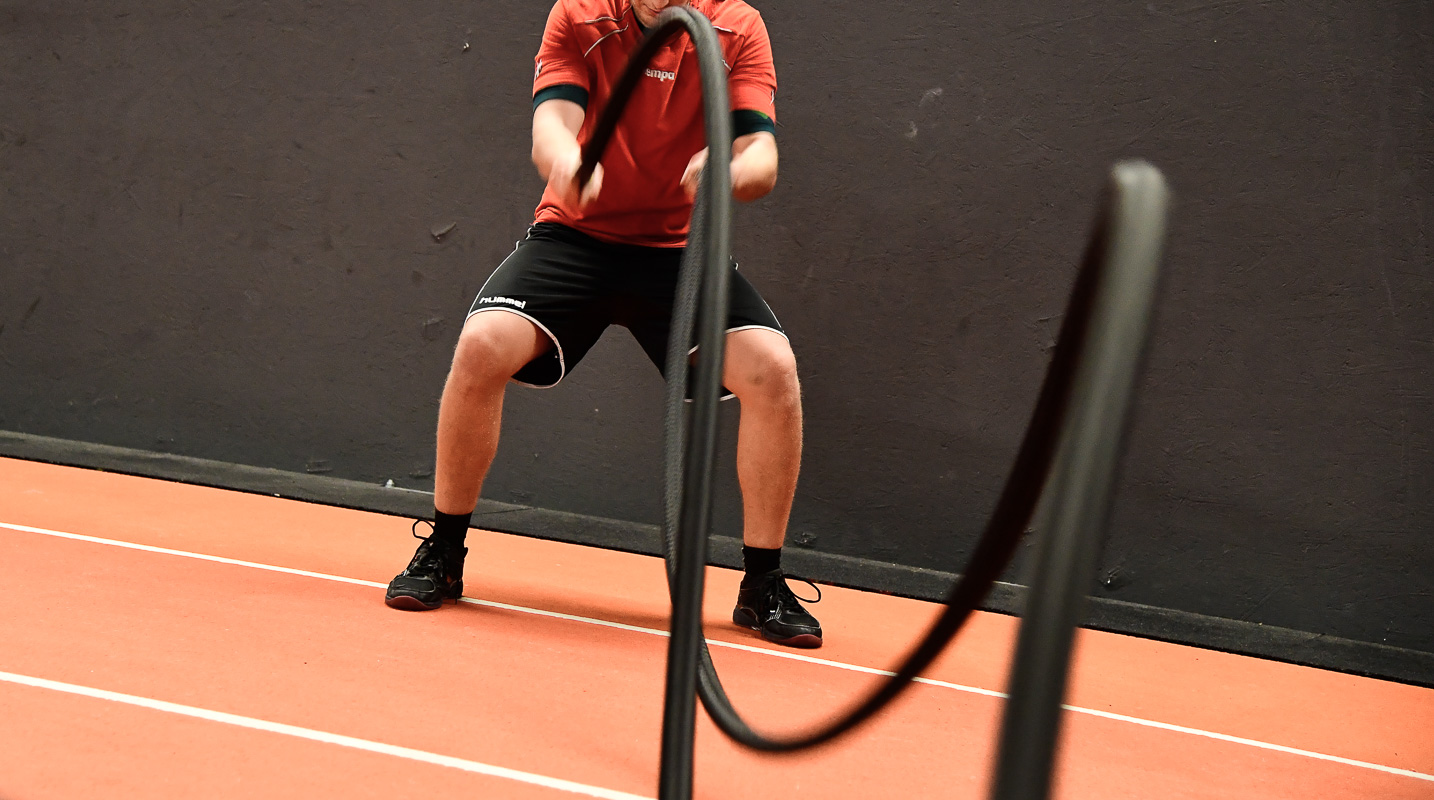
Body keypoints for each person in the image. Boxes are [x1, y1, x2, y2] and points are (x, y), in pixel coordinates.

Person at [384, 0, 822, 648]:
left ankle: (762, 583)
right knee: (481, 346)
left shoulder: (736, 26)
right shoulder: (580, 15)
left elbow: (763, 157)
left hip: (678, 254)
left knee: (774, 371)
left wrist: (726, 173)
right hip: (574, 239)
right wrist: (567, 161)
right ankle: (444, 550)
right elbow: (550, 127)